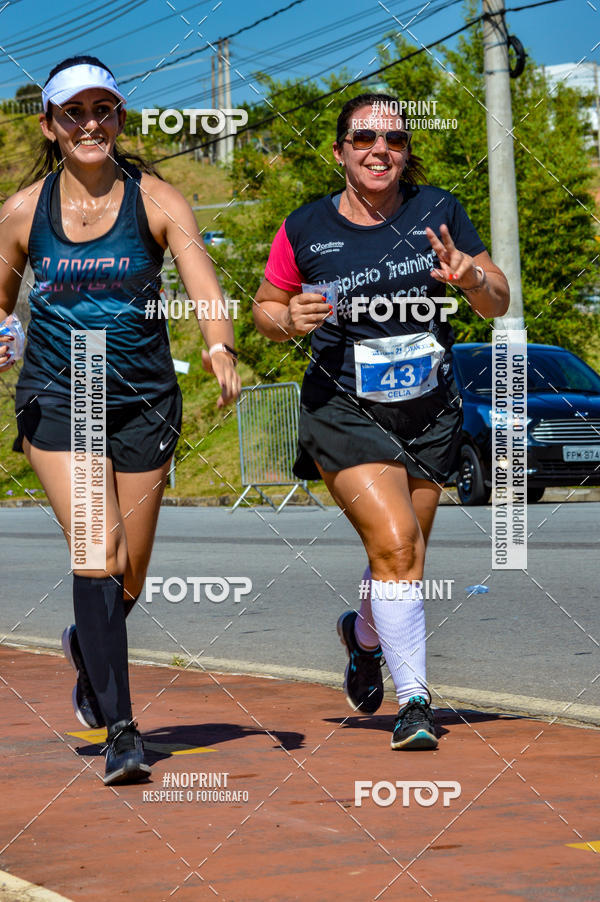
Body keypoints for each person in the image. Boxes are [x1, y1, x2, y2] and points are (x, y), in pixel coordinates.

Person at [0, 56, 240, 783]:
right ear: (50, 125)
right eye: (74, 113)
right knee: (97, 553)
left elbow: (201, 278)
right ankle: (123, 732)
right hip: (58, 391)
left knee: (127, 574)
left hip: (142, 398)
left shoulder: (158, 200)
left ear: (120, 120)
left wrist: (219, 345)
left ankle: (89, 646)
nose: (90, 124)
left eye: (103, 110)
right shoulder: (20, 212)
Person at [253, 92, 509, 750]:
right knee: (396, 545)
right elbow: (265, 310)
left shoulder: (438, 211)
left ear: (406, 152)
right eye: (364, 138)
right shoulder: (307, 227)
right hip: (343, 411)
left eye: (393, 141)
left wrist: (470, 275)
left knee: (402, 557)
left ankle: (364, 639)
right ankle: (416, 702)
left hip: (428, 413)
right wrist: (289, 320)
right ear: (340, 151)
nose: (379, 150)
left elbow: (497, 298)